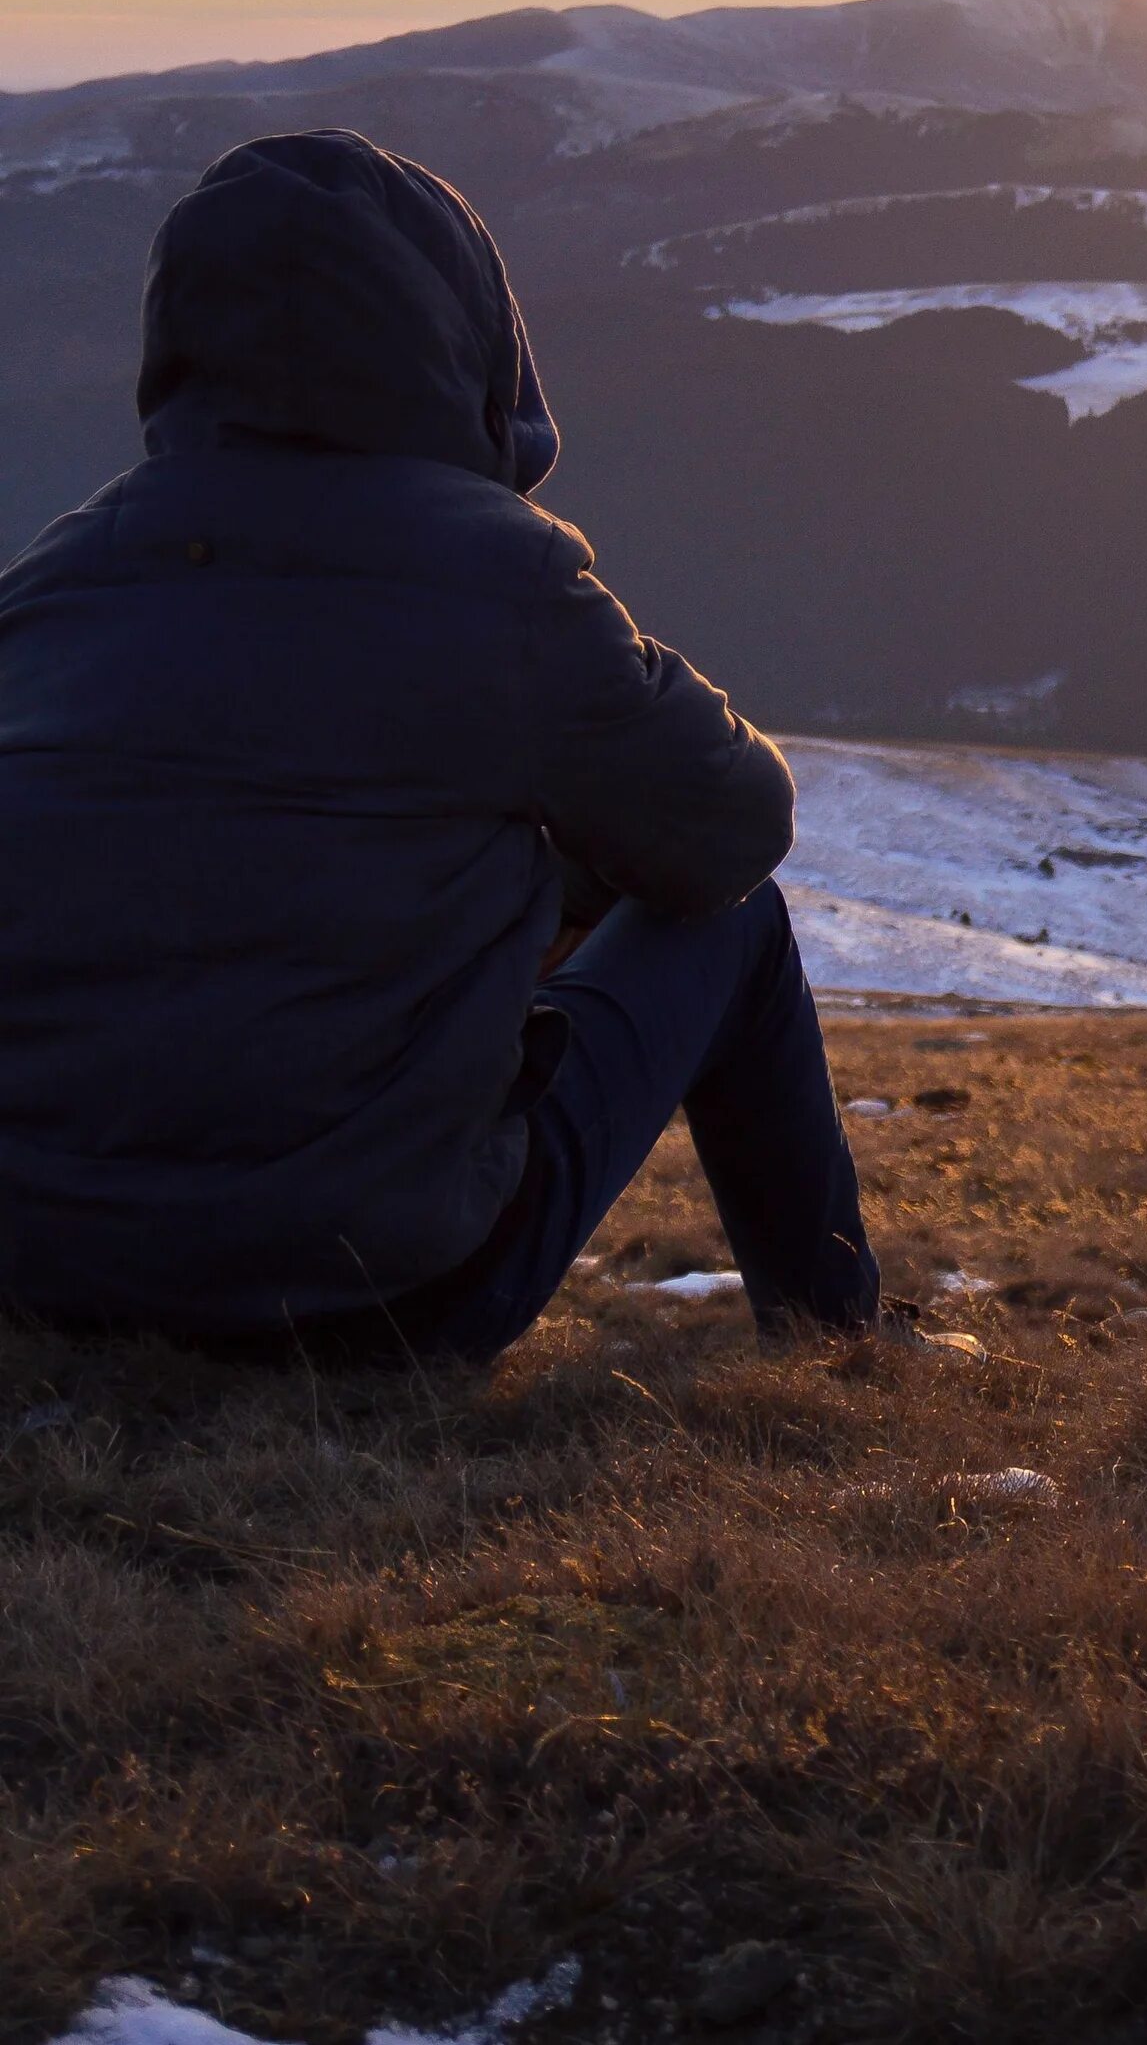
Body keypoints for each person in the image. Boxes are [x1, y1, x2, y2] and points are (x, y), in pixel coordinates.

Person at [0, 129, 894, 1359]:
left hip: (46, 1275)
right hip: (378, 1296)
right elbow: (730, 824)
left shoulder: (53, 579)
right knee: (729, 919)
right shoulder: (495, 578)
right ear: (463, 334)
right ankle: (835, 1334)